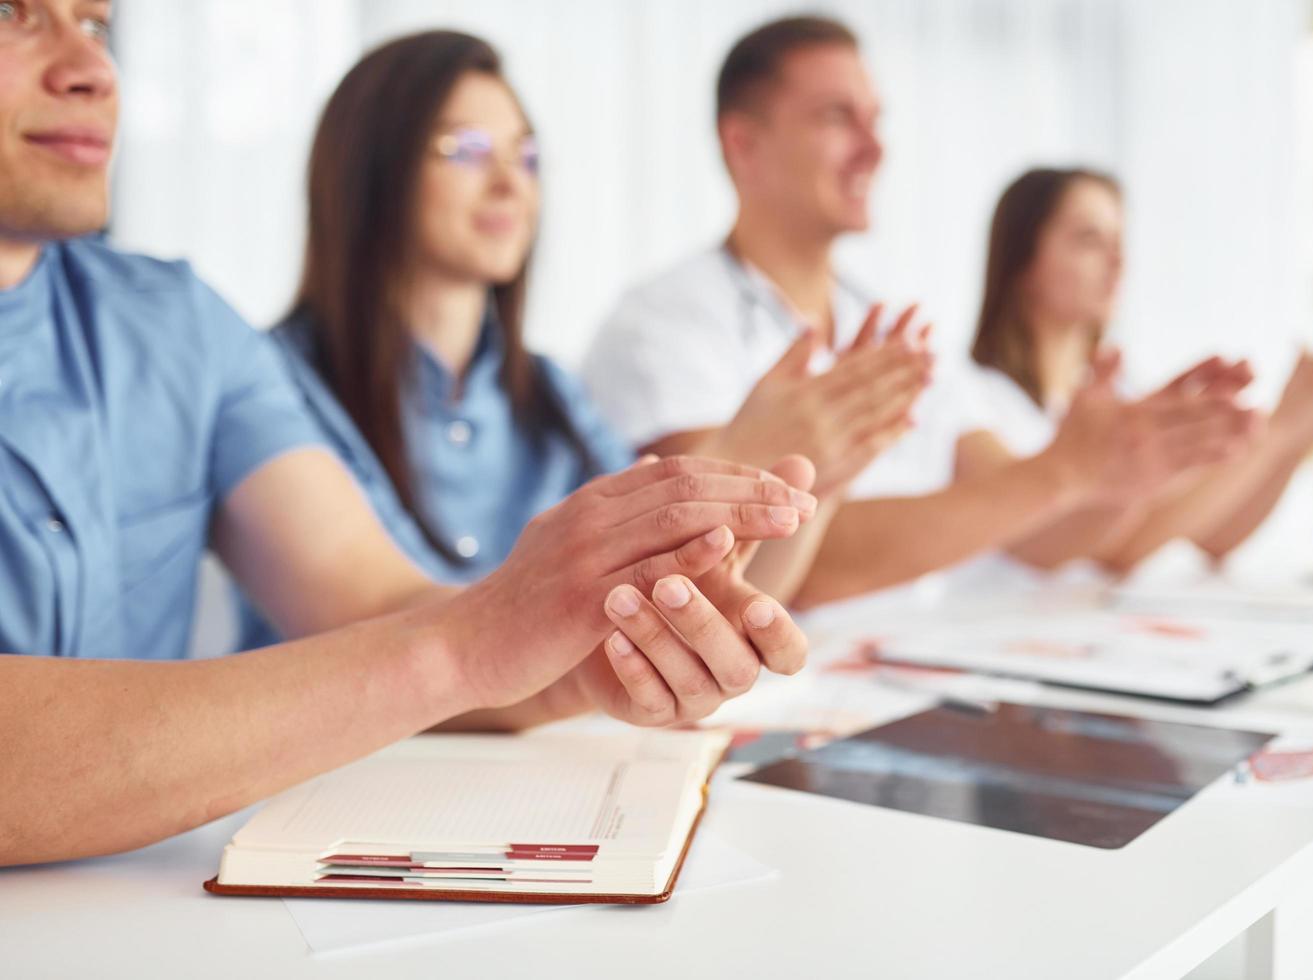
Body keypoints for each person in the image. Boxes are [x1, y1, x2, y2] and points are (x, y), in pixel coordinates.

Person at [0, 0, 816, 867]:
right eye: (14, 15)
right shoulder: (290, 361)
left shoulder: (180, 325)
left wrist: (568, 666)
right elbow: (424, 639)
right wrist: (469, 644)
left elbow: (369, 598)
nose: (93, 70)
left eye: (94, 25)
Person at [235, 29, 933, 652]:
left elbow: (680, 591)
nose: (511, 183)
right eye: (469, 150)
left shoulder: (553, 394)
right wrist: (728, 459)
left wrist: (810, 482)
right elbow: (391, 632)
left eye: (527, 154)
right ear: (371, 171)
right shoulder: (271, 385)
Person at [583, 15, 1257, 607]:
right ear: (744, 145)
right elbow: (746, 559)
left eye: (877, 120)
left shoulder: (892, 328)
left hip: (920, 665)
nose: (876, 149)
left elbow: (1029, 531)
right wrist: (1064, 473)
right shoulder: (665, 325)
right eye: (837, 117)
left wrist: (1116, 469)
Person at [961, 167, 1313, 571]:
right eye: (1089, 239)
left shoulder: (1124, 389)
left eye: (1119, 241)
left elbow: (1216, 533)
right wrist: (1280, 429)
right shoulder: (973, 399)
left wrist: (1301, 434)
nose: (1116, 261)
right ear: (1021, 259)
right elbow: (1122, 548)